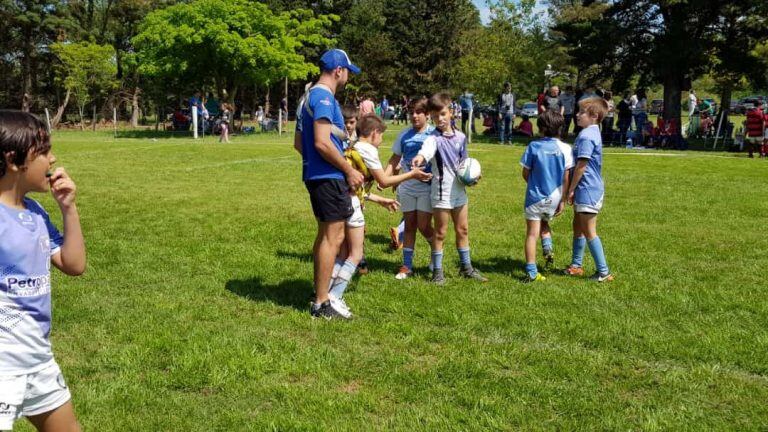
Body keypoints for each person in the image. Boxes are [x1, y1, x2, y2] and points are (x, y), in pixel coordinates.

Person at [0, 110, 86, 431]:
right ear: (13, 160)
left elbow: (74, 264)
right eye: (44, 151)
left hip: (38, 361)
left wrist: (68, 208)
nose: (53, 159)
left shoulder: (34, 213)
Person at [328, 114, 431, 317]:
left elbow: (359, 187)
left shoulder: (353, 147)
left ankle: (323, 292)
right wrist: (412, 174)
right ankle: (335, 297)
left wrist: (381, 201)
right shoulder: (368, 150)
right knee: (356, 254)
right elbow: (384, 181)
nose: (382, 140)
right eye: (381, 135)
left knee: (342, 253)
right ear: (374, 133)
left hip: (340, 200)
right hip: (353, 206)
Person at [293, 48, 364, 320]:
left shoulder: (307, 97)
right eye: (347, 71)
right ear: (338, 71)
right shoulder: (323, 96)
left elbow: (300, 143)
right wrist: (347, 169)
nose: (347, 77)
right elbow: (322, 141)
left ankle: (319, 294)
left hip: (317, 175)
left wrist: (317, 163)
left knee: (325, 236)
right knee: (333, 237)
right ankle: (322, 303)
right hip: (329, 177)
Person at [412, 93, 488, 284]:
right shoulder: (433, 138)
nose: (440, 119)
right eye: (436, 116)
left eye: (443, 114)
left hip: (459, 192)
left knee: (463, 229)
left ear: (451, 112)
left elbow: (465, 163)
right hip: (441, 192)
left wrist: (473, 176)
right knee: (441, 232)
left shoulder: (461, 137)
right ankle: (437, 272)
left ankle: (467, 268)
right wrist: (419, 159)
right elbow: (425, 152)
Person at [384, 97, 436, 280]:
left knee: (423, 225)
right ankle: (407, 266)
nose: (414, 116)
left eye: (418, 112)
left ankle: (436, 252)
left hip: (427, 188)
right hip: (407, 187)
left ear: (427, 114)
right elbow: (394, 158)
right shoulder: (404, 135)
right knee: (409, 226)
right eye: (411, 112)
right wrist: (385, 177)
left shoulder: (434, 134)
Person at [520, 110, 573, 282]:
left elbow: (525, 173)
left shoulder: (533, 146)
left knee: (531, 234)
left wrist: (534, 184)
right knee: (545, 222)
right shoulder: (566, 148)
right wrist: (563, 200)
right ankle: (548, 247)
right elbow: (566, 177)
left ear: (541, 128)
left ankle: (531, 272)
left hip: (535, 197)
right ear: (560, 129)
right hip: (555, 197)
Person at [564, 97, 614, 282]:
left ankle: (604, 272)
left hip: (588, 188)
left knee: (589, 230)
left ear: (594, 115)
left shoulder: (586, 136)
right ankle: (576, 266)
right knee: (577, 226)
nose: (577, 115)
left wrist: (570, 189)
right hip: (585, 188)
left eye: (582, 112)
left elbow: (581, 166)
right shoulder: (589, 133)